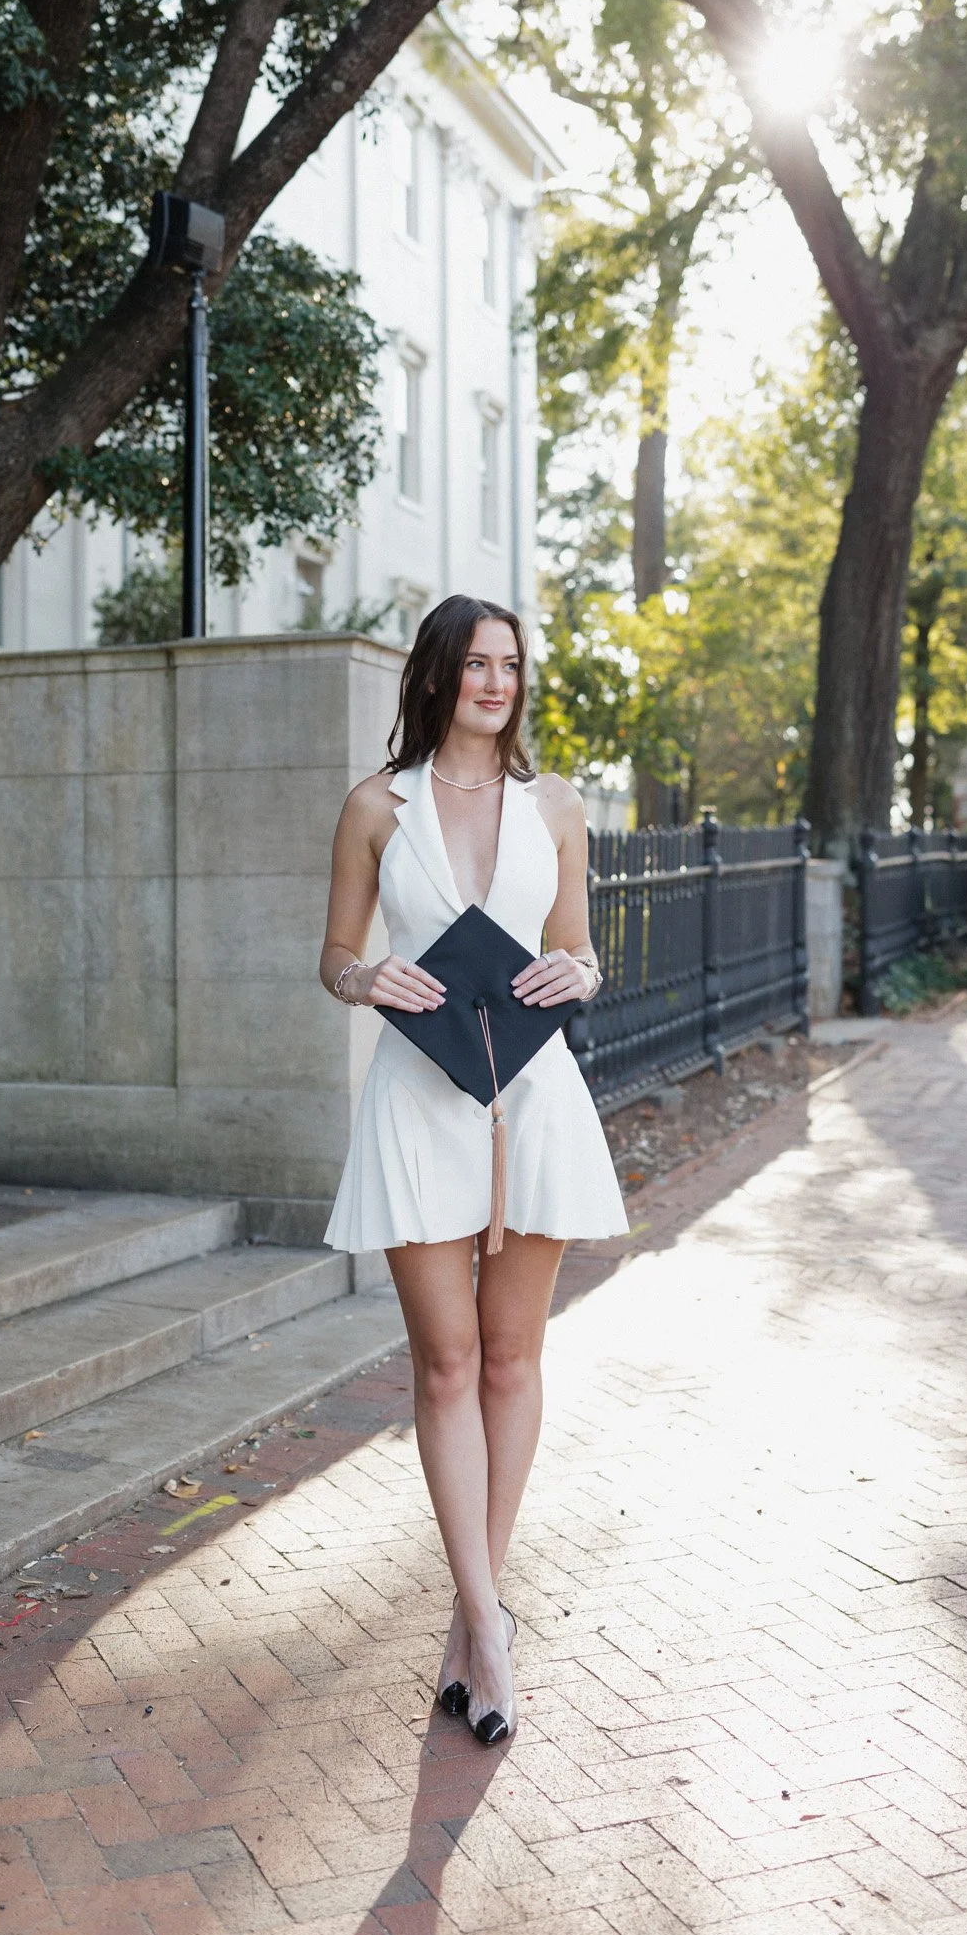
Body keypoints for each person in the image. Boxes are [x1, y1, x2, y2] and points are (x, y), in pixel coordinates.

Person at [319, 593, 627, 1746]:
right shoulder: (373, 807)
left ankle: (473, 1618)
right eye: (476, 662)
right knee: (445, 1365)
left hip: (531, 1102)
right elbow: (336, 951)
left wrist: (581, 975)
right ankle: (493, 1625)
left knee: (511, 1358)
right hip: (418, 1101)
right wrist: (364, 982)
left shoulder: (559, 804)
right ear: (438, 674)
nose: (496, 681)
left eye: (511, 663)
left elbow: (578, 943)